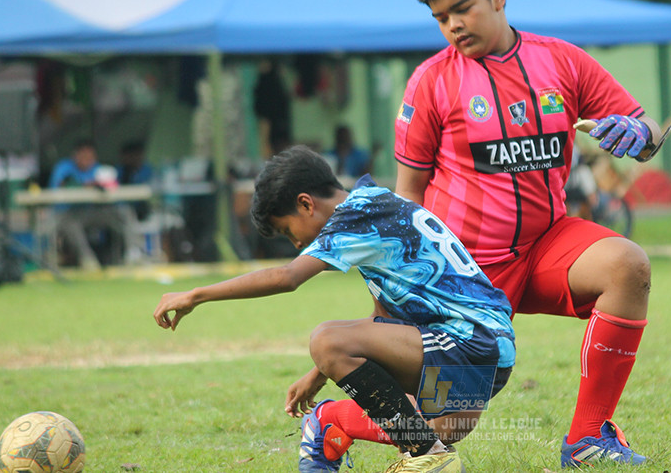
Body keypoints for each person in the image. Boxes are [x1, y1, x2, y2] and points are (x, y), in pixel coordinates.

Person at [393, 0, 667, 468]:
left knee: (628, 265)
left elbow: (649, 131)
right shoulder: (430, 81)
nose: (453, 25)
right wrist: (409, 275)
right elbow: (408, 191)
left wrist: (639, 131)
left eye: (462, 8)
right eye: (440, 17)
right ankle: (331, 421)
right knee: (443, 426)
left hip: (546, 243)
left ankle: (587, 440)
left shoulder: (560, 60)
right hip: (465, 271)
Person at [153, 146, 515, 473]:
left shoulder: (356, 215)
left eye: (288, 230)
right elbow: (383, 320)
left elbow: (287, 277)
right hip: (489, 357)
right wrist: (320, 372)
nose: (296, 242)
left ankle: (426, 456)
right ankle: (330, 423)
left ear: (306, 203)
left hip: (471, 344)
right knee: (435, 429)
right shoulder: (376, 205)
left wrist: (197, 295)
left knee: (326, 339)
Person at [49, 138, 143, 270]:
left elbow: (111, 186)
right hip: (70, 213)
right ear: (76, 155)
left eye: (90, 156)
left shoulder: (98, 169)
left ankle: (135, 253)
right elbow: (60, 186)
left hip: (92, 212)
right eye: (83, 155)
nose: (87, 159)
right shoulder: (64, 167)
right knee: (70, 224)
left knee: (125, 211)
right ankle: (88, 260)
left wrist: (104, 185)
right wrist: (83, 185)